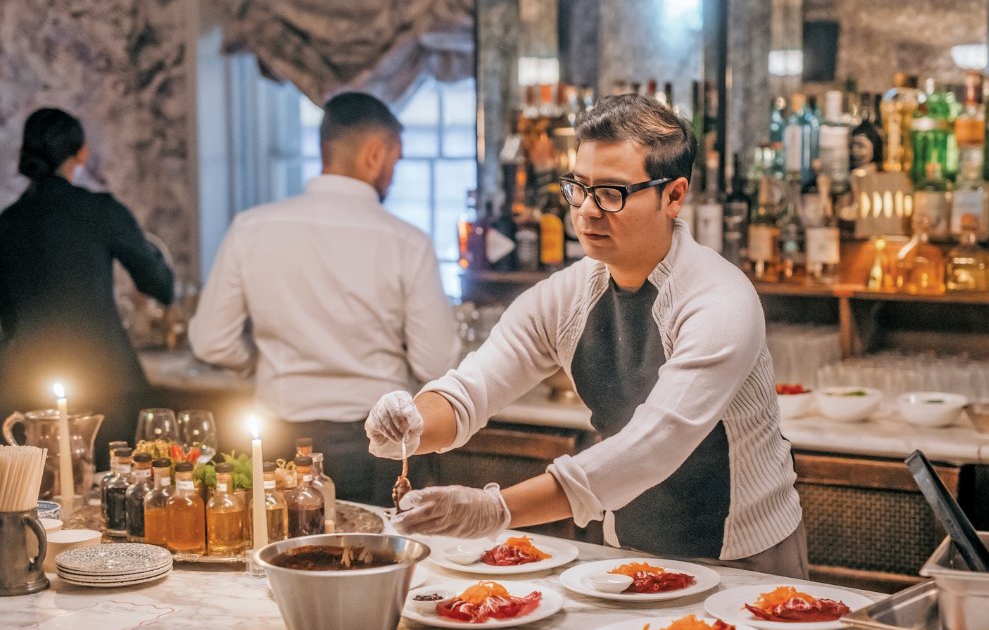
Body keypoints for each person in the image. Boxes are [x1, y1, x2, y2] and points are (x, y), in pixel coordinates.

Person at [366, 93, 808, 578]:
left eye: (613, 192)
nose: (588, 211)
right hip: (629, 551)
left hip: (747, 555)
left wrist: (496, 511)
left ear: (674, 196)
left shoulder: (720, 300)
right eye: (578, 187)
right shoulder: (567, 296)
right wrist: (410, 423)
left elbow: (652, 446)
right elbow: (472, 389)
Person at [189, 91, 459, 506]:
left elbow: (210, 340)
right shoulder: (407, 242)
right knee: (374, 565)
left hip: (278, 437)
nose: (393, 173)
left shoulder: (252, 228)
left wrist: (263, 361)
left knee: (278, 560)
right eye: (395, 161)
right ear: (374, 154)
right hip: (376, 442)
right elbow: (434, 363)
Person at [0, 107, 175, 469]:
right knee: (115, 497)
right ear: (81, 153)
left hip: (22, 387)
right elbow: (158, 283)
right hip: (104, 382)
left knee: (38, 504)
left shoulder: (7, 222)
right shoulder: (100, 210)